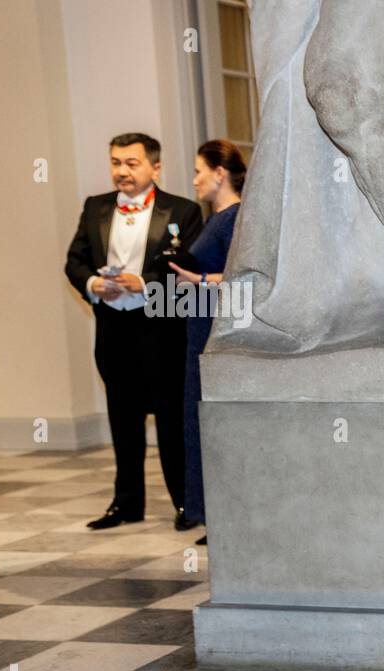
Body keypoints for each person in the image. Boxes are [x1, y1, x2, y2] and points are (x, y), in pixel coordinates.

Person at [64, 133, 204, 530]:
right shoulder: (95, 207)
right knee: (122, 415)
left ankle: (185, 504)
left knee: (171, 419)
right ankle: (126, 503)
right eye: (115, 162)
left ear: (154, 167)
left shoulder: (183, 210)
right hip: (113, 328)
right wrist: (94, 284)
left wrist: (142, 282)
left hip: (160, 328)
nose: (121, 171)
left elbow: (187, 270)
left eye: (131, 163)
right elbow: (74, 261)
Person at [168, 140, 246, 546]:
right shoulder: (214, 219)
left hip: (217, 331)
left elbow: (243, 278)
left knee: (215, 426)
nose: (194, 178)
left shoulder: (234, 218)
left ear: (219, 173)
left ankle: (224, 516)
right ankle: (213, 515)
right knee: (200, 423)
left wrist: (197, 280)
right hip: (200, 329)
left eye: (199, 170)